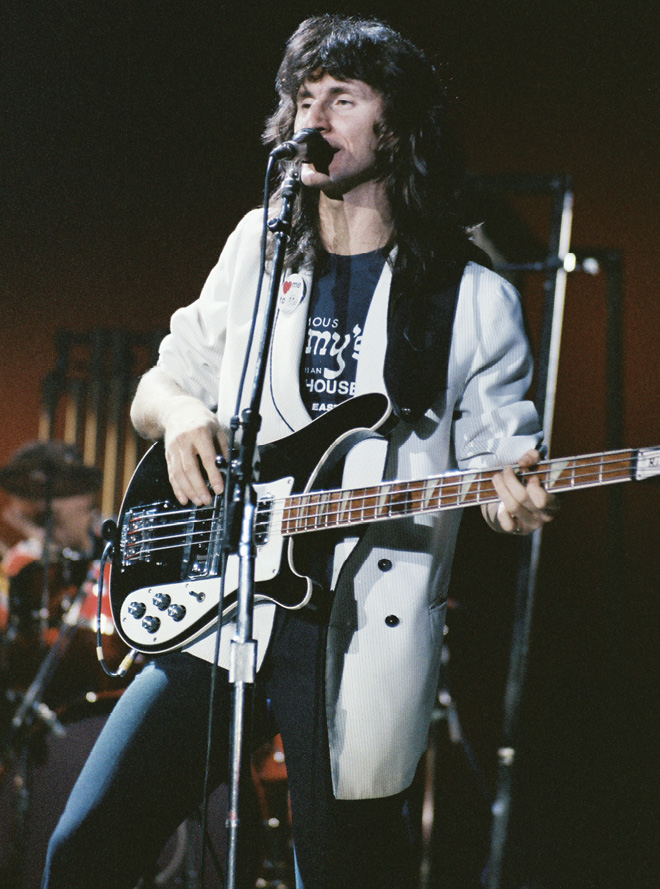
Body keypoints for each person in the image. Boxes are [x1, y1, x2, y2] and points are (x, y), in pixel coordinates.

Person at [42, 15, 557, 889]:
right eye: (303, 99)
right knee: (84, 847)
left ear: (396, 127)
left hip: (359, 632)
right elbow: (158, 385)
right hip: (227, 609)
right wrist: (179, 420)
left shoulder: (470, 298)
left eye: (343, 99)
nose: (312, 118)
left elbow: (505, 461)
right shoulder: (259, 245)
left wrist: (514, 500)